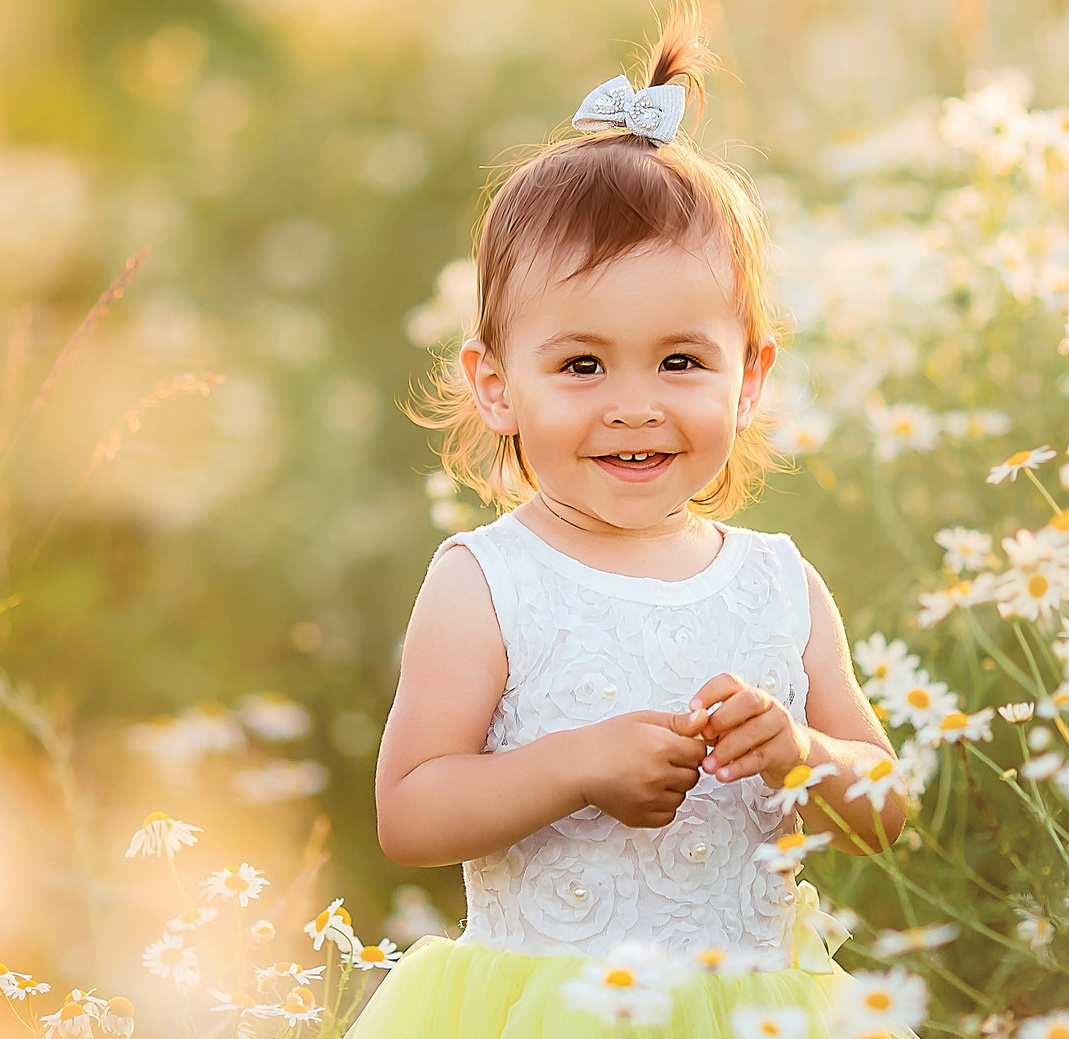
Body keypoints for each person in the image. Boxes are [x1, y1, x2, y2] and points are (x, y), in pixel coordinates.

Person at [347, 7, 906, 1036]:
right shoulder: (487, 582)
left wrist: (794, 749)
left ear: (750, 379)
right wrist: (574, 765)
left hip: (761, 1011)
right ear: (496, 385)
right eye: (582, 365)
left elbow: (885, 807)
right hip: (549, 1007)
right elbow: (411, 810)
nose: (635, 403)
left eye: (681, 361)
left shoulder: (778, 582)